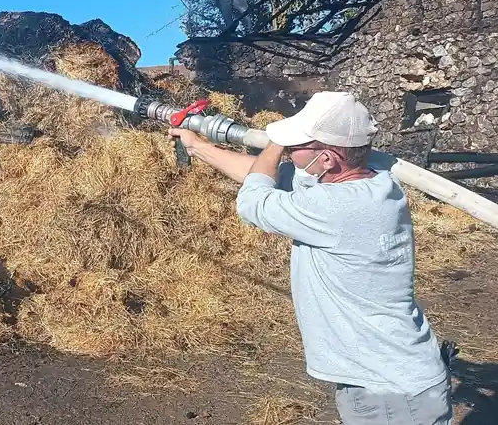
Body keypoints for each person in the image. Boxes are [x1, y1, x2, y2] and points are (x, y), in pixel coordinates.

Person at [168, 91, 453, 425]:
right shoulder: (372, 182)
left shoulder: (338, 208)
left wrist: (274, 143)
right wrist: (197, 145)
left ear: (329, 159)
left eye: (296, 145)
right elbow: (261, 174)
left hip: (387, 394)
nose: (289, 151)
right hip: (399, 376)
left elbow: (253, 200)